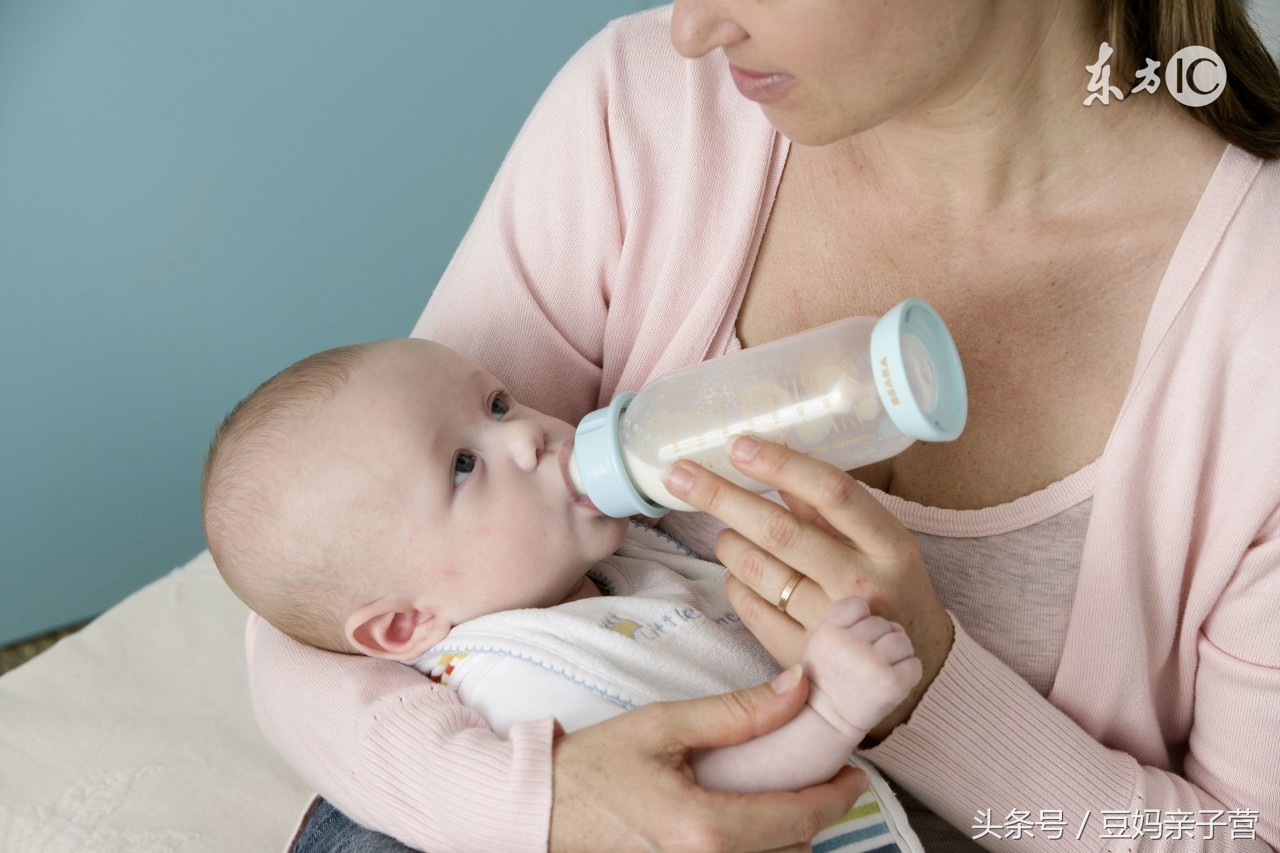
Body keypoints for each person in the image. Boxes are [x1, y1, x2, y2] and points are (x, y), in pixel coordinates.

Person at [239, 1, 1280, 851]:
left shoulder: (1255, 326)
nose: (693, 28)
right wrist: (530, 806)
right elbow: (321, 590)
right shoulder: (645, 111)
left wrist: (925, 696)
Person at [201, 337, 924, 833]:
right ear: (403, 626)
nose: (526, 436)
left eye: (497, 404)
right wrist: (830, 710)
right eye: (461, 465)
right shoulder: (518, 683)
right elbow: (694, 797)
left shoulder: (605, 571)